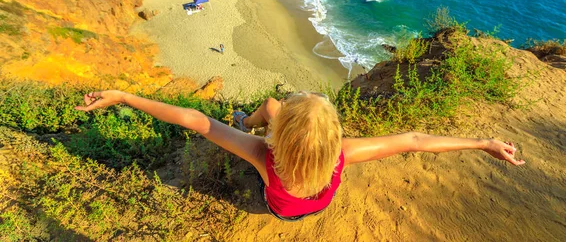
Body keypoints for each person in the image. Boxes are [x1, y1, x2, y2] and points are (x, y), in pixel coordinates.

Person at [75, 91, 525, 222]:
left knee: (268, 106)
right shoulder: (342, 154)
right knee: (274, 106)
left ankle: (248, 117)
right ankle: (260, 114)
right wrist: (484, 144)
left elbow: (194, 120)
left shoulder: (262, 156)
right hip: (315, 201)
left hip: (274, 205)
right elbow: (415, 140)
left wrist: (122, 97)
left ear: (279, 139)